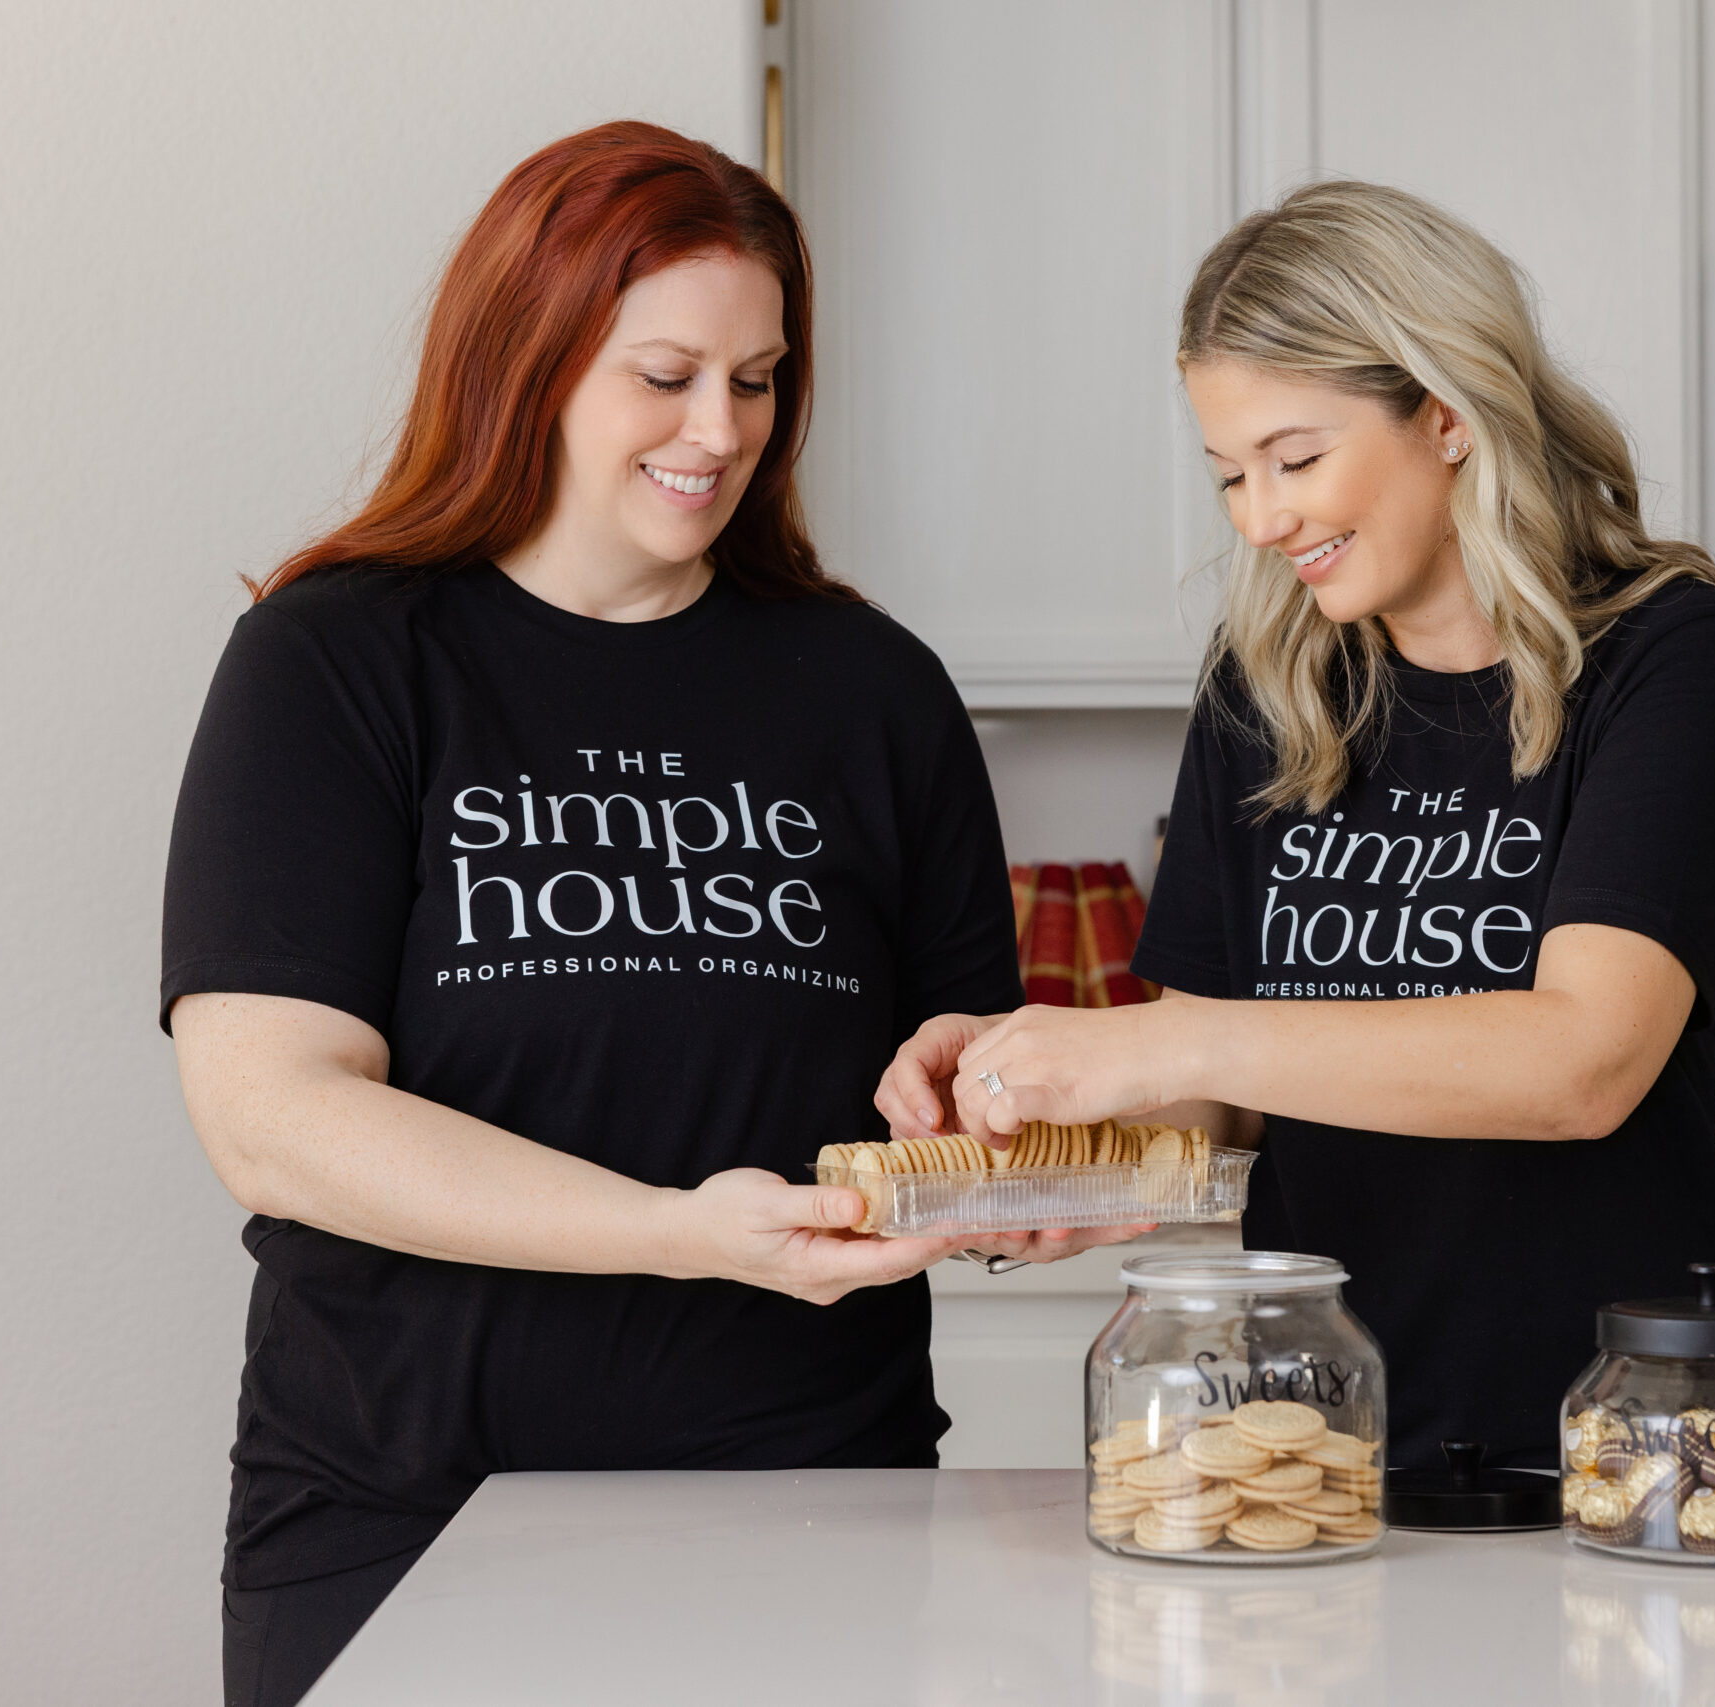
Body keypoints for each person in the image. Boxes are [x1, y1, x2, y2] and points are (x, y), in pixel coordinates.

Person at [164, 122, 1131, 1707]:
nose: (721, 429)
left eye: (757, 380)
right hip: (401, 1515)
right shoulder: (338, 660)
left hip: (815, 1512)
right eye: (665, 374)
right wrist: (675, 1236)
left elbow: (957, 1095)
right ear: (526, 362)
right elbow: (271, 1119)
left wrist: (998, 1156)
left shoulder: (873, 690)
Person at [877, 181, 1715, 1474]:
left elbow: (1585, 1064)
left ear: (1448, 412)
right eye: (1231, 473)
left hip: (1631, 1429)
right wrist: (1038, 1148)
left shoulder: (1665, 649)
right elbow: (1216, 1113)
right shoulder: (1272, 682)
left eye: (1296, 459)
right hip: (1316, 1437)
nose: (1260, 516)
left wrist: (1156, 1039)